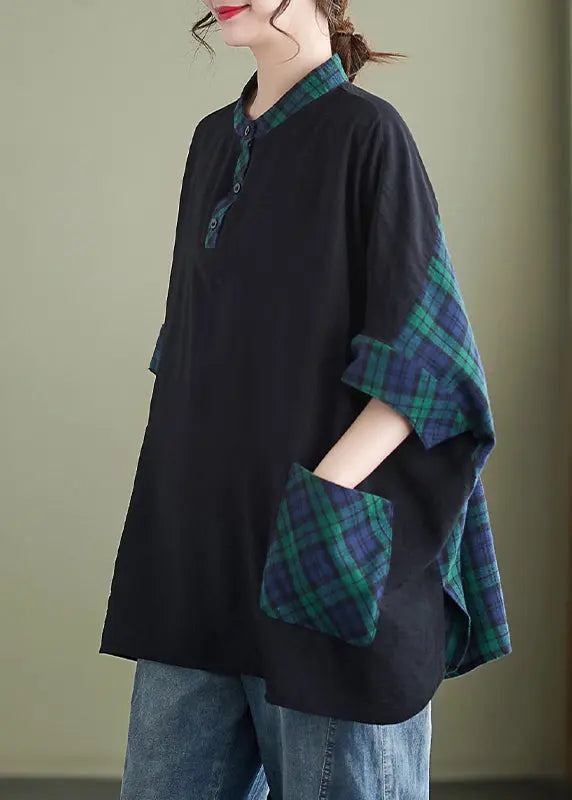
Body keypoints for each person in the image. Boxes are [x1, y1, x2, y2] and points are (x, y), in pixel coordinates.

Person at [99, 1, 512, 798]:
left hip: (321, 556)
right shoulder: (212, 142)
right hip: (198, 556)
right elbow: (192, 354)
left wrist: (316, 504)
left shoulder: (367, 134)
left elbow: (426, 368)